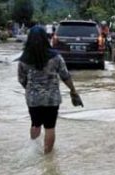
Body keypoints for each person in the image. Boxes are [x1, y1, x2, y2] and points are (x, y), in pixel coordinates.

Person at [18, 26, 82, 154]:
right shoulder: (56, 57)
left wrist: (30, 89)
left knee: (35, 124)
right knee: (50, 127)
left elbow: (21, 79)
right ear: (46, 39)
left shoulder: (24, 59)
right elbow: (65, 76)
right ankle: (47, 158)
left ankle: (34, 151)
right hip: (51, 99)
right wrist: (73, 91)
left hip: (33, 99)